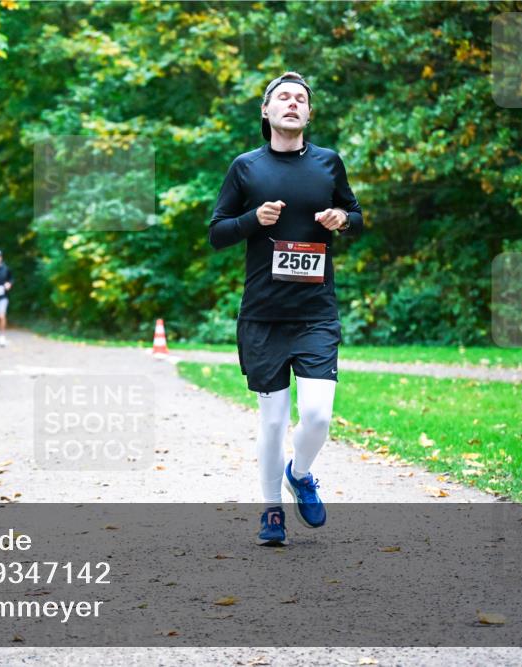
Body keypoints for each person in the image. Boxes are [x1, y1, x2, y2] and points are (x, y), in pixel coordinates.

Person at [207, 71, 363, 546]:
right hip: (263, 315)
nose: (292, 103)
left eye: (300, 99)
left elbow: (356, 218)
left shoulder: (328, 164)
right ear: (266, 110)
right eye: (283, 97)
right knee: (273, 421)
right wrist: (253, 219)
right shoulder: (246, 167)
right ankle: (271, 509)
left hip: (316, 312)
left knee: (317, 416)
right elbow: (217, 233)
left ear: (309, 114)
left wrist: (342, 218)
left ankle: (300, 474)